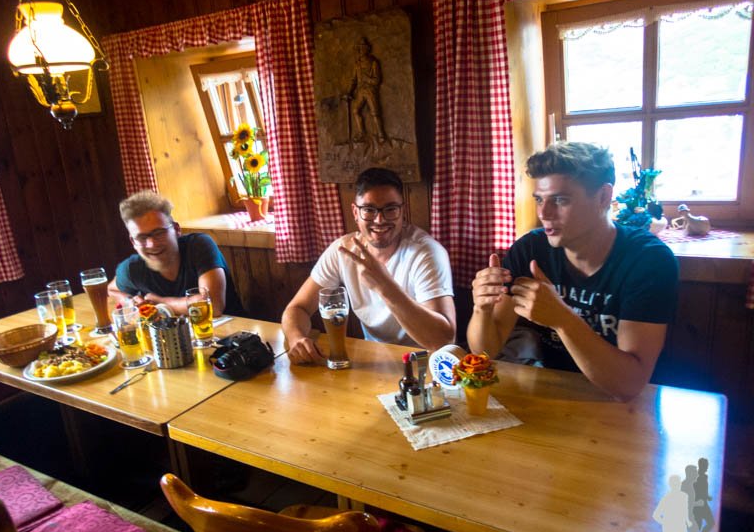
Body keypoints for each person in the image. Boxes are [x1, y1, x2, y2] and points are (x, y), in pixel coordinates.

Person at [467, 142, 678, 401]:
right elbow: (485, 351)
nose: (544, 213)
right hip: (557, 392)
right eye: (539, 199)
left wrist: (563, 319)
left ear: (603, 197)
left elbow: (628, 386)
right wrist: (482, 308)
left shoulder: (649, 260)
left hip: (627, 403)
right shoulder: (530, 249)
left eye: (560, 200)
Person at [282, 167, 456, 364]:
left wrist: (385, 286)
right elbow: (297, 308)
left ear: (402, 211)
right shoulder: (343, 250)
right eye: (369, 210)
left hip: (425, 363)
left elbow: (443, 340)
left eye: (390, 209)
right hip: (373, 361)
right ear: (355, 212)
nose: (379, 220)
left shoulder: (426, 253)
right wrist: (296, 338)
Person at [108, 191, 243, 317]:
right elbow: (112, 290)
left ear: (176, 229)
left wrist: (160, 303)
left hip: (232, 331)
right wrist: (130, 301)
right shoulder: (132, 268)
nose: (152, 244)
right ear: (133, 242)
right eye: (142, 237)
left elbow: (213, 305)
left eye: (159, 233)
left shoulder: (199, 245)